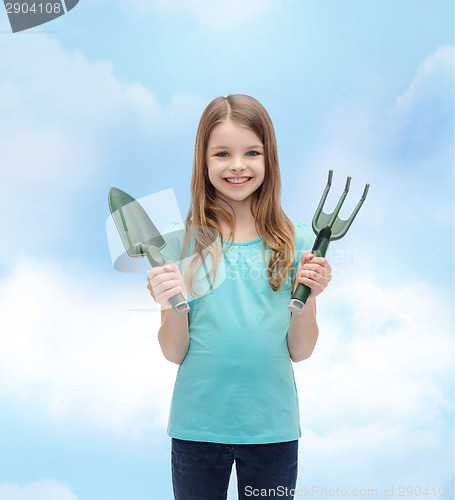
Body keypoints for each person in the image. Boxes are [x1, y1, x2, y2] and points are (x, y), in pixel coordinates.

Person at [147, 94, 332, 500]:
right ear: (204, 161)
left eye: (252, 152)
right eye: (222, 153)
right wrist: (169, 302)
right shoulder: (180, 242)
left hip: (272, 431)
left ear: (270, 159)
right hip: (197, 428)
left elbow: (301, 350)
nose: (237, 165)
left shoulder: (298, 242)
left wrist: (311, 292)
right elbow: (173, 353)